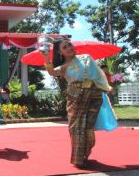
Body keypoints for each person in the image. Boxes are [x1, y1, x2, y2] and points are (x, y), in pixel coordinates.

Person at [42, 38, 112, 168]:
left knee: (88, 128)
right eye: (65, 47)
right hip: (75, 97)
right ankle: (79, 159)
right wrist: (46, 57)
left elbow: (98, 75)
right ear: (60, 53)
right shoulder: (64, 67)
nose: (69, 48)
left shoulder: (86, 58)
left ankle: (85, 153)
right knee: (76, 128)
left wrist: (106, 87)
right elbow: (52, 72)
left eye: (70, 45)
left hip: (94, 95)